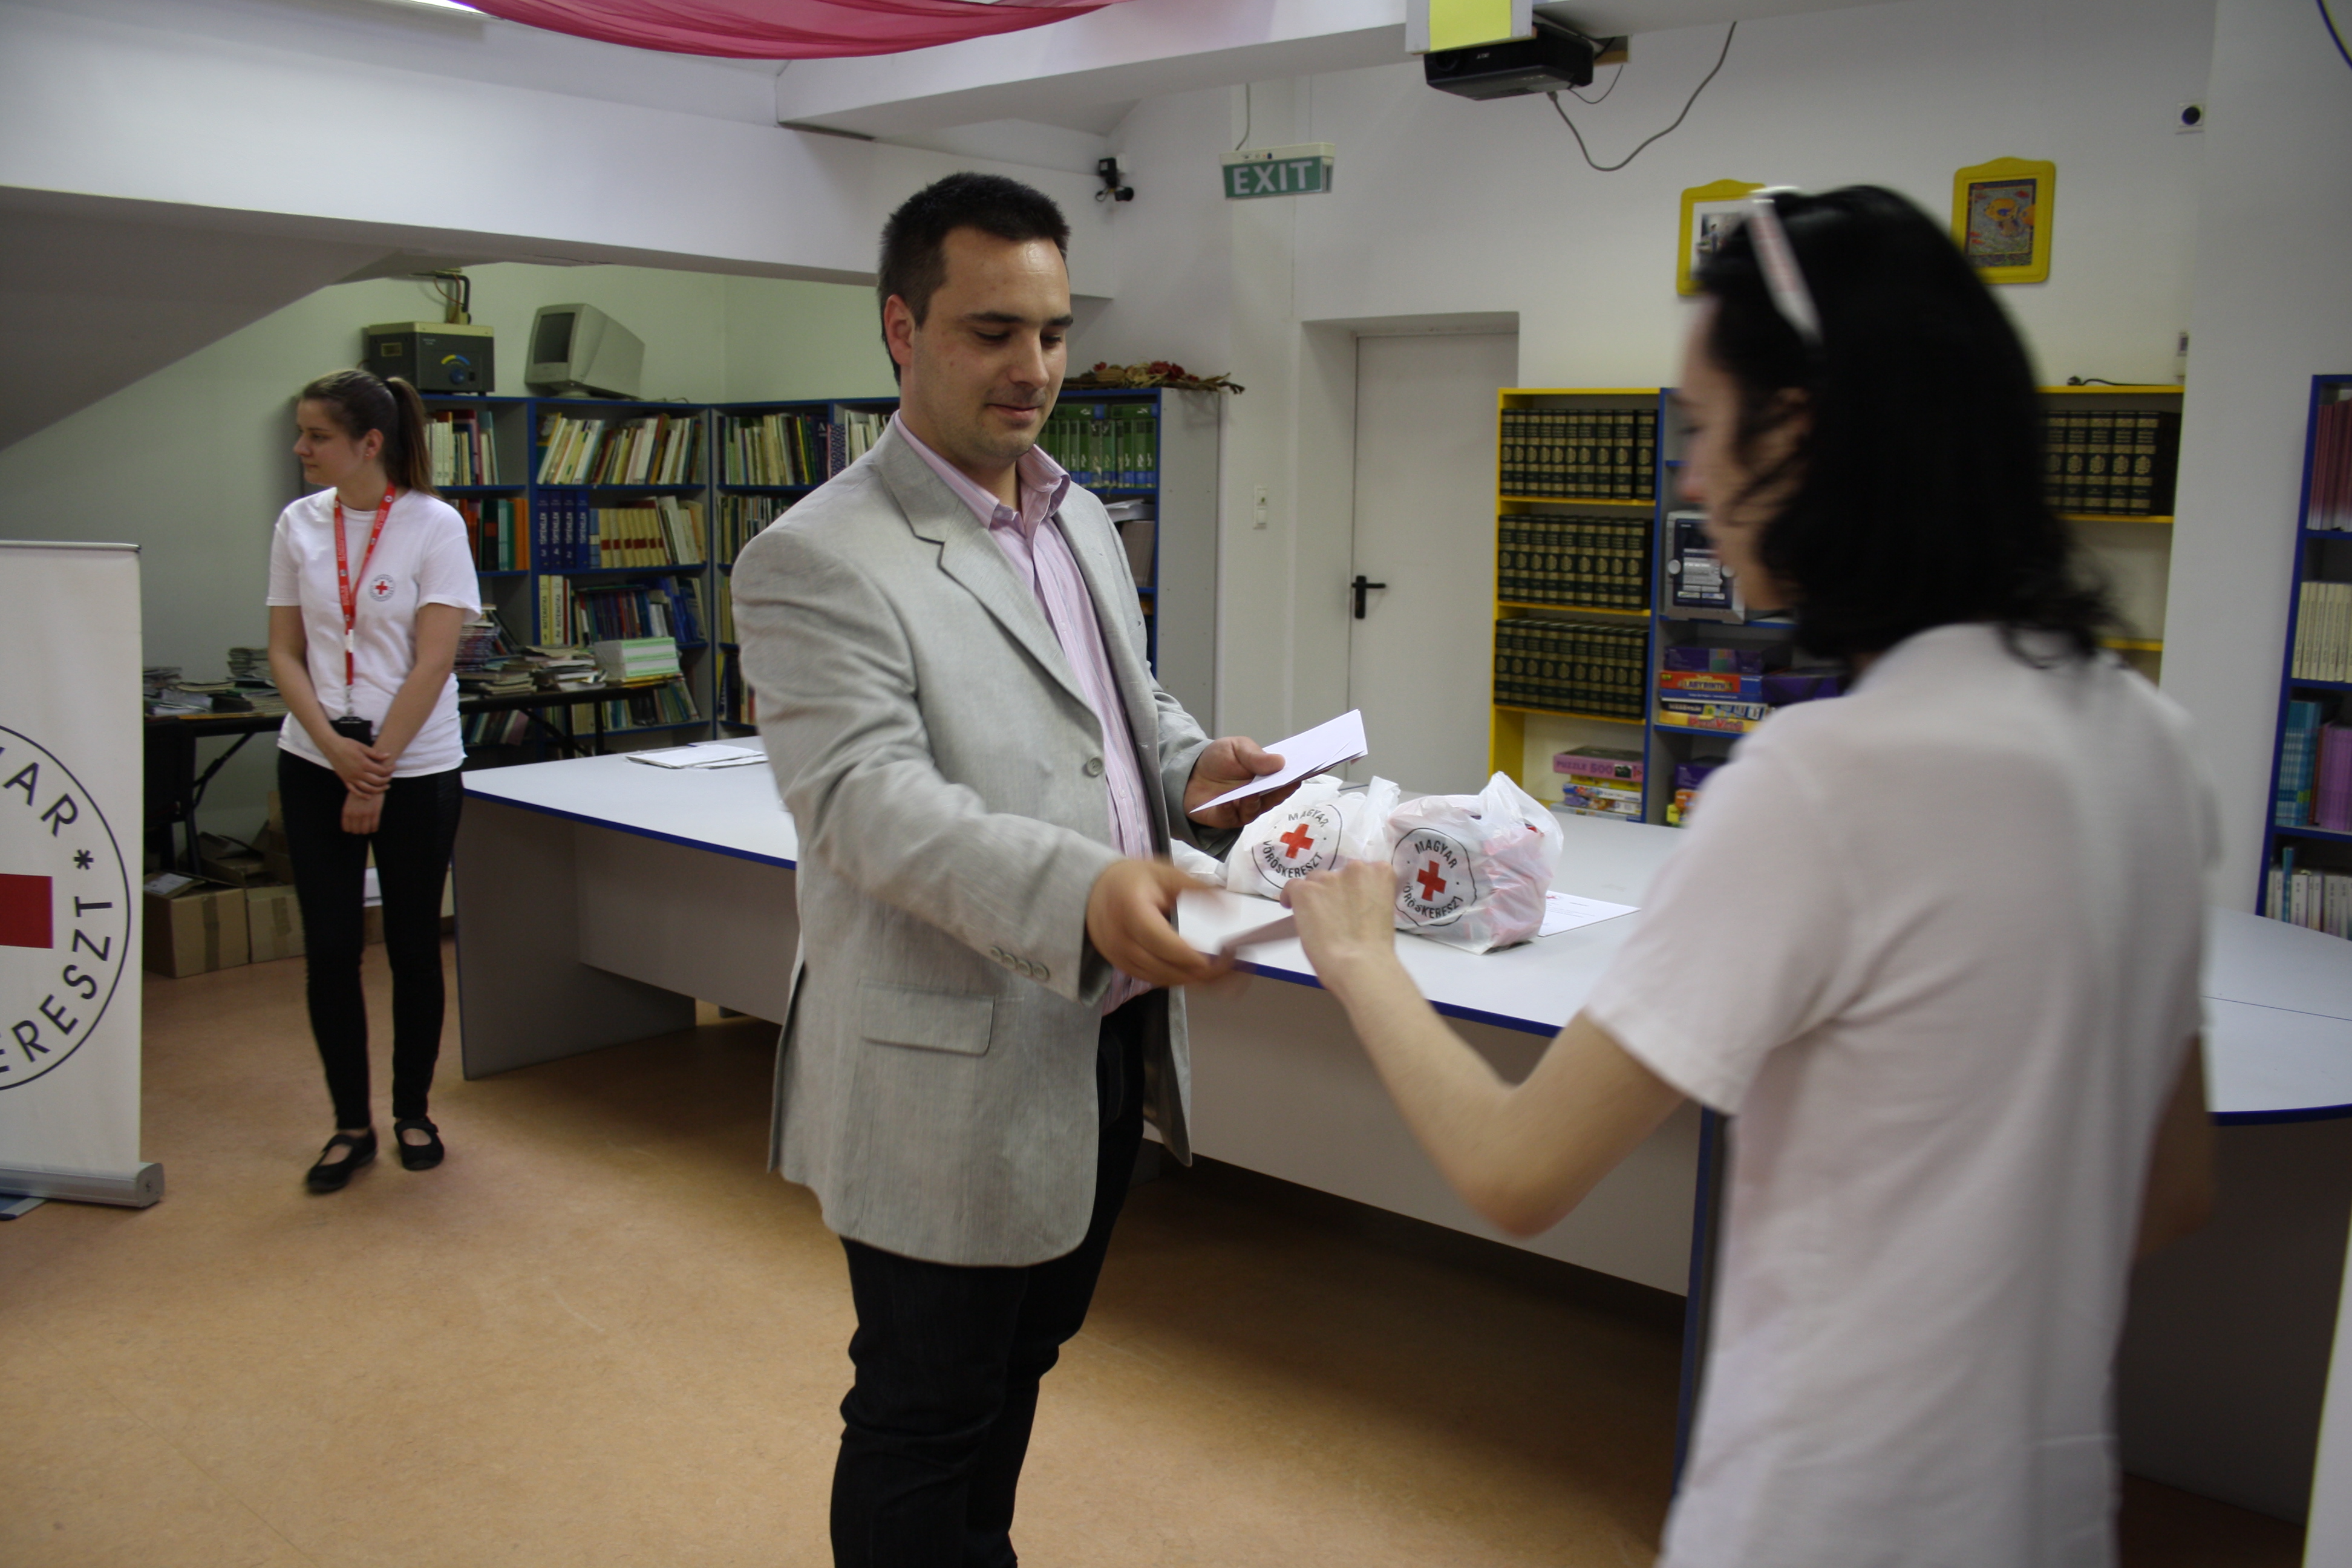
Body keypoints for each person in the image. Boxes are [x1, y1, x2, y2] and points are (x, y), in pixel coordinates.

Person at [1284, 186, 2216, 1567]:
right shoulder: (2152, 748)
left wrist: (1361, 959)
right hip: (2046, 1512)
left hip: (1826, 1511)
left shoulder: (1825, 782)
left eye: (1710, 430)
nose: (1696, 481)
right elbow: (2172, 1184)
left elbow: (1518, 1171)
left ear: (1802, 434)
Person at [730, 172, 1295, 1568]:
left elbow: (1114, 705)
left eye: (1052, 332)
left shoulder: (1077, 515)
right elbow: (862, 805)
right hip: (941, 1061)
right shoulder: (816, 557)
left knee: (1021, 1363)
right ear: (901, 330)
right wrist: (1083, 892)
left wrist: (1192, 770)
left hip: (1093, 1035)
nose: (1034, 367)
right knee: (923, 1412)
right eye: (992, 332)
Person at [266, 370, 477, 1194]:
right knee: (329, 950)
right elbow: (285, 651)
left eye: (316, 436)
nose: (301, 448)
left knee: (415, 946)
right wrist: (332, 748)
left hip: (414, 765)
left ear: (370, 443)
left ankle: (413, 1111)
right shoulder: (298, 524)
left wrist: (374, 769)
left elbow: (434, 661)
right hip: (315, 758)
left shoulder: (434, 525)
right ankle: (349, 1126)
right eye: (302, 432)